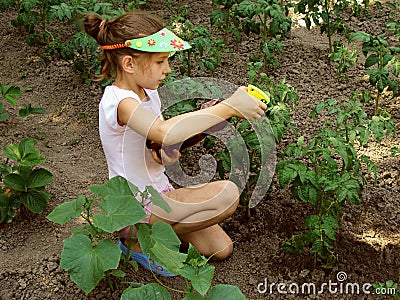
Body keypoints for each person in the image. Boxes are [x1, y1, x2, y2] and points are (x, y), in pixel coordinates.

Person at [84, 11, 267, 277]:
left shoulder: (149, 94)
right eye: (160, 62)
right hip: (133, 204)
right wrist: (227, 107)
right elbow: (162, 131)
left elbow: (154, 141)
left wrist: (163, 154)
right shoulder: (119, 101)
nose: (167, 69)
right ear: (129, 64)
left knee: (221, 248)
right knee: (227, 194)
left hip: (160, 193)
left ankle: (154, 236)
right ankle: (135, 240)